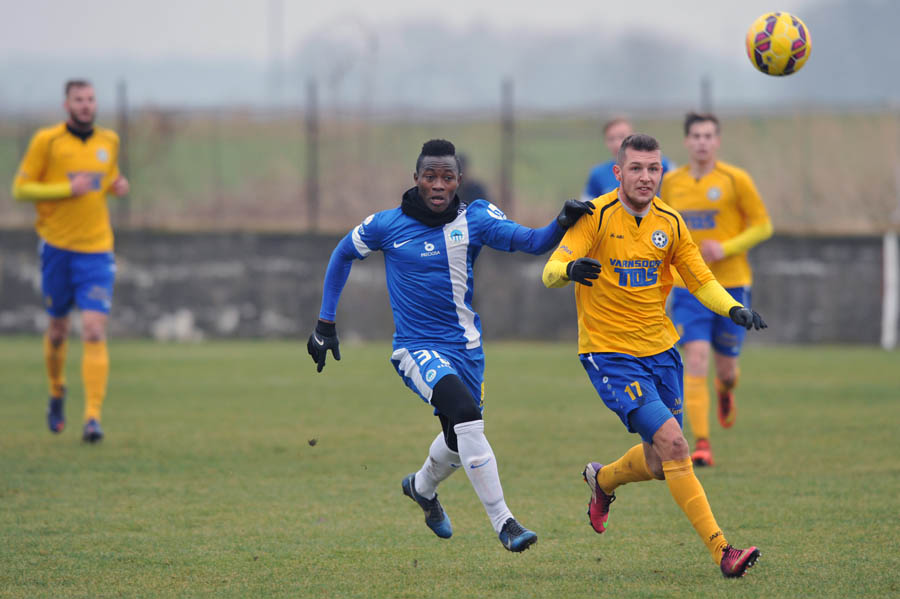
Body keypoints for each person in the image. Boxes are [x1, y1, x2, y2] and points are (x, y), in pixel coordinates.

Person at [307, 139, 594, 552]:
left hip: (466, 349)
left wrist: (562, 221)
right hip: (415, 348)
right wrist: (325, 323)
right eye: (430, 176)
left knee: (460, 440)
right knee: (466, 415)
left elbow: (532, 242)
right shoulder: (386, 225)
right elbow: (342, 254)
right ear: (416, 179)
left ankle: (421, 488)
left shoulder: (476, 218)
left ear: (459, 179)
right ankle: (505, 522)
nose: (438, 185)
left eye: (447, 177)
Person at [542, 133, 765, 578]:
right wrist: (570, 270)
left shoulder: (671, 222)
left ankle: (603, 479)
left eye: (653, 169)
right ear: (618, 172)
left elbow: (700, 280)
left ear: (662, 172)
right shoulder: (594, 217)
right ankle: (724, 551)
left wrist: (733, 308)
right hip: (610, 354)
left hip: (661, 351)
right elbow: (549, 272)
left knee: (660, 463)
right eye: (636, 168)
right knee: (676, 444)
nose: (646, 177)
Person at [12, 79, 129, 443]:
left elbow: (105, 179)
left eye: (90, 99)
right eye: (78, 99)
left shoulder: (109, 141)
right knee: (58, 330)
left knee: (93, 329)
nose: (86, 105)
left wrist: (116, 186)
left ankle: (92, 417)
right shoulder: (47, 141)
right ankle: (56, 390)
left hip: (96, 249)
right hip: (57, 248)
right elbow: (20, 189)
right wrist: (66, 188)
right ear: (67, 105)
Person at [660, 113, 773, 467]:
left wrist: (725, 248)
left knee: (726, 371)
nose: (702, 142)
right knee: (695, 359)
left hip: (731, 285)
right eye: (696, 136)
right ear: (686, 141)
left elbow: (763, 226)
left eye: (708, 136)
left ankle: (725, 390)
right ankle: (702, 443)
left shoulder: (735, 180)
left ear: (717, 141)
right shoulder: (671, 182)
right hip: (688, 286)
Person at [581, 117, 674, 201]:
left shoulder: (664, 165)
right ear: (617, 172)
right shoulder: (598, 174)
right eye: (611, 139)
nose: (617, 143)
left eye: (622, 137)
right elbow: (587, 205)